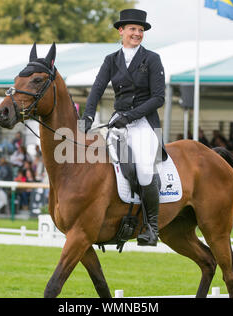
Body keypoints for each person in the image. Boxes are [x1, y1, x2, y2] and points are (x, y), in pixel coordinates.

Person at [82, 9, 165, 246]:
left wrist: (129, 116)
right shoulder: (111, 60)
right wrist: (86, 119)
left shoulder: (152, 59)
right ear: (121, 31)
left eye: (140, 30)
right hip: (118, 122)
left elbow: (158, 98)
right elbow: (96, 90)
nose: (137, 33)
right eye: (132, 29)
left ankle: (152, 228)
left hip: (144, 124)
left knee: (144, 169)